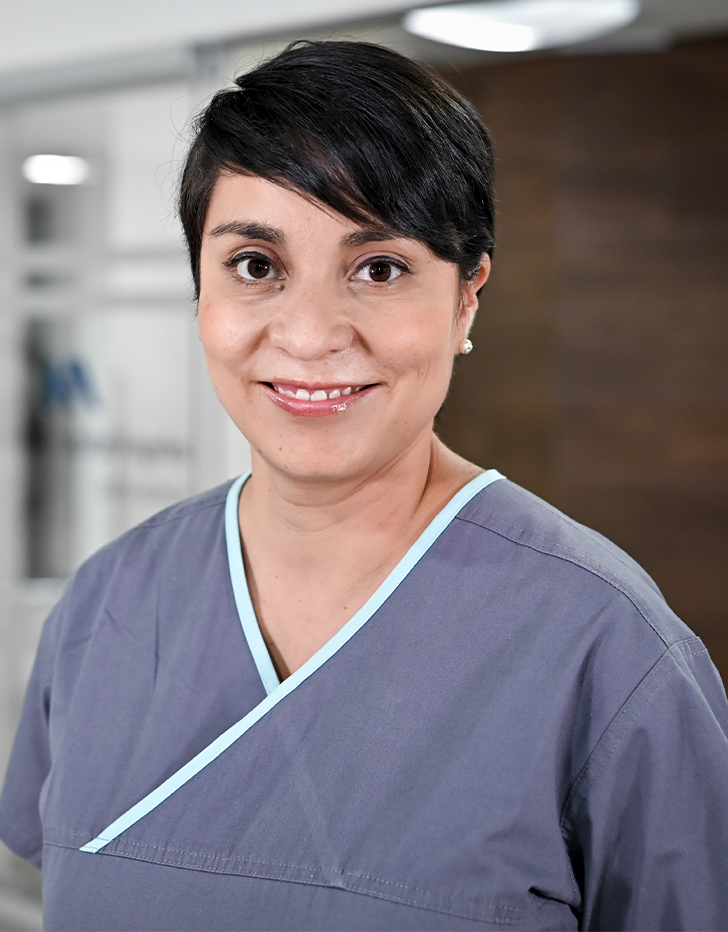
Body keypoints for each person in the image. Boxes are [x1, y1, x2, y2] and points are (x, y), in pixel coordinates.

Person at [1, 39, 727, 932]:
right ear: (200, 290)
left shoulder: (607, 650)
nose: (309, 337)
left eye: (379, 268)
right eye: (256, 266)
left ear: (466, 299)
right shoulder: (106, 604)